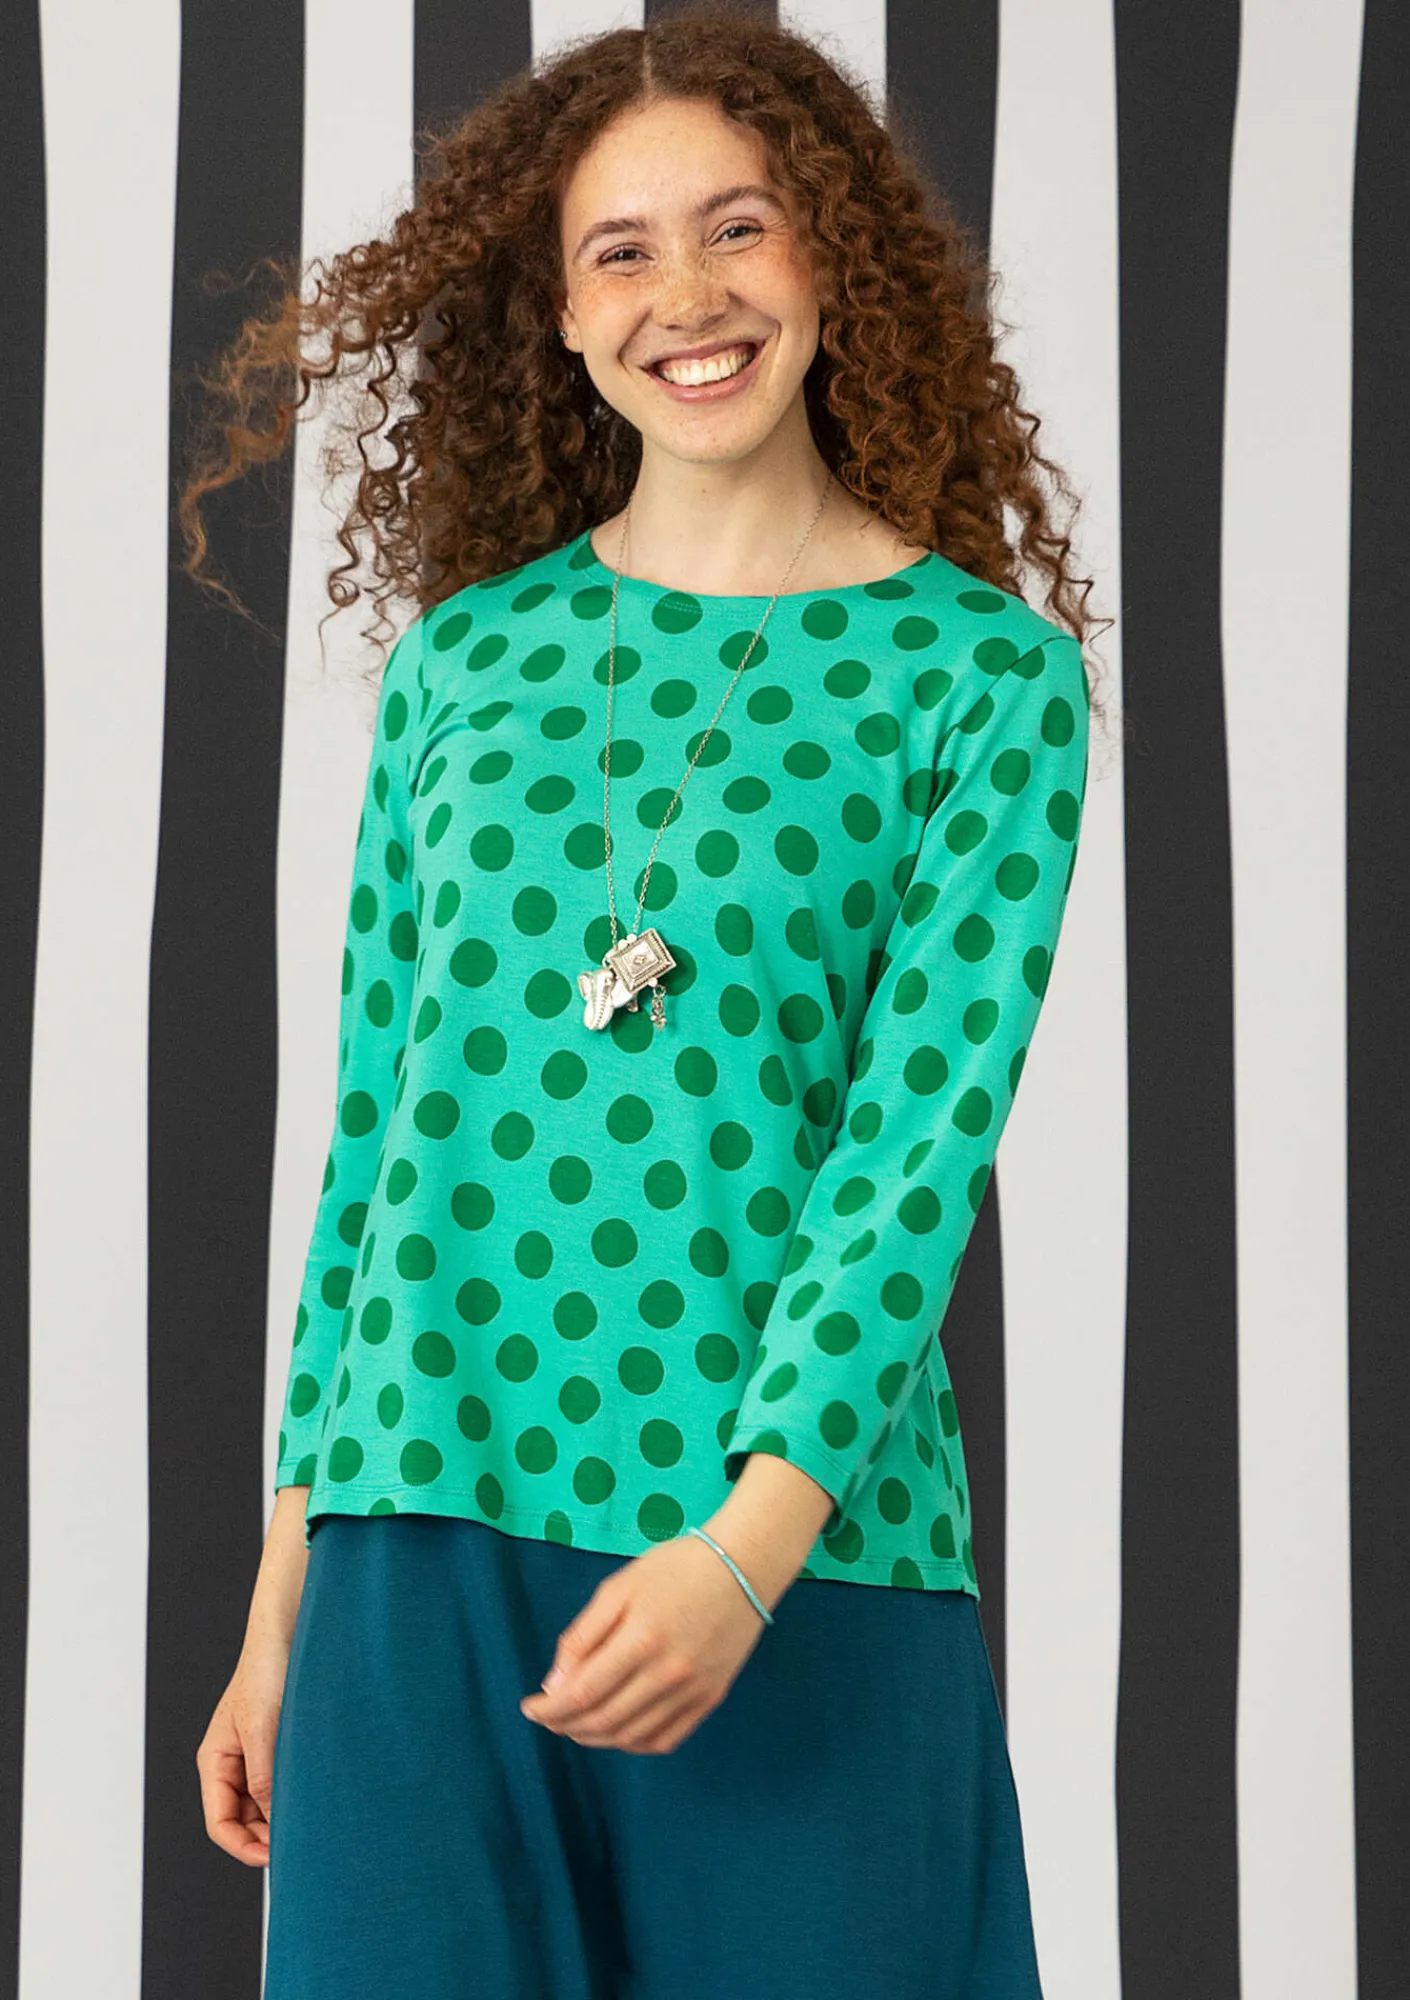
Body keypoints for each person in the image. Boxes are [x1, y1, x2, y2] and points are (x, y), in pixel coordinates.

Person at [184, 6, 1107, 1995]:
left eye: (738, 226)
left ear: (832, 259)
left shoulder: (983, 680)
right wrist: (282, 1604)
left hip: (790, 1554)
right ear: (563, 312)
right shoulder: (462, 670)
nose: (687, 295)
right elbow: (375, 1147)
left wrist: (743, 1555)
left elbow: (912, 1161)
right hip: (418, 1532)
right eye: (621, 249)